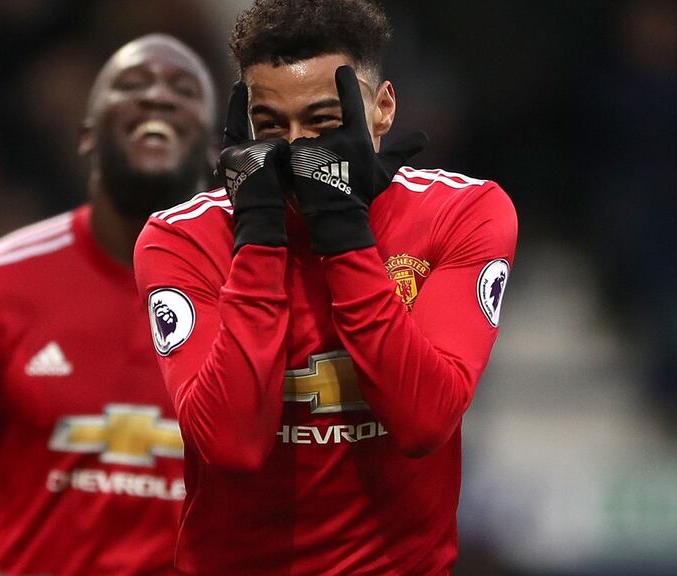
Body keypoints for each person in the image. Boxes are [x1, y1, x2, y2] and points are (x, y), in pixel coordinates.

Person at [133, 1, 518, 574]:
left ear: (382, 109)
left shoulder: (462, 214)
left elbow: (424, 421)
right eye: (271, 126)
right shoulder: (181, 239)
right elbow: (233, 444)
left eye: (323, 122)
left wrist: (343, 231)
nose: (297, 150)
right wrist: (258, 234)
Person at [0, 34, 216, 576]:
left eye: (183, 89)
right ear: (86, 134)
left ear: (216, 147)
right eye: (131, 84)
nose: (157, 96)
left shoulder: (262, 297)